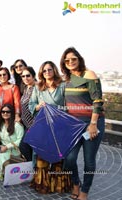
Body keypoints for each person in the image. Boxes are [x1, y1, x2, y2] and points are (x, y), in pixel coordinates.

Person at [60, 47, 104, 200]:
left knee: (89, 160)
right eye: (67, 60)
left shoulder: (89, 74)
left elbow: (97, 100)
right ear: (64, 63)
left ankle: (84, 191)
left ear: (79, 59)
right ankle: (76, 183)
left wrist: (93, 124)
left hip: (91, 123)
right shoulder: (67, 79)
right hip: (74, 125)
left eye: (73, 59)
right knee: (70, 158)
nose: (70, 62)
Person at [28, 61, 68, 194]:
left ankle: (58, 184)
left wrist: (55, 109)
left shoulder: (62, 86)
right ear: (41, 73)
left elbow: (68, 105)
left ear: (54, 70)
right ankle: (42, 183)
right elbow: (31, 104)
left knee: (58, 156)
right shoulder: (38, 86)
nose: (47, 72)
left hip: (59, 126)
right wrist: (38, 106)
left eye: (49, 70)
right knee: (42, 156)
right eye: (44, 71)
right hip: (43, 125)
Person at [0, 104, 24, 180]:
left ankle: (0, 174)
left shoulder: (17, 125)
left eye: (8, 112)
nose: (5, 113)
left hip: (15, 151)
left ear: (12, 113)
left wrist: (7, 146)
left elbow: (20, 140)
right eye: (3, 112)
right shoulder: (0, 125)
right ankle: (1, 173)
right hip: (3, 150)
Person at [19, 66, 36, 161]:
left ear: (33, 76)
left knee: (23, 146)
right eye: (23, 76)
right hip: (26, 124)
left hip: (34, 124)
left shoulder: (36, 88)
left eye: (28, 75)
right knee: (29, 148)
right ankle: (33, 170)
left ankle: (32, 168)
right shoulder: (26, 88)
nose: (25, 78)